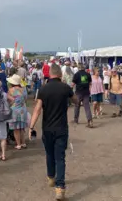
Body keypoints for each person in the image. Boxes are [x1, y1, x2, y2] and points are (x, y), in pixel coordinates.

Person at [29, 64, 77, 200]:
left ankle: (51, 177)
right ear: (60, 74)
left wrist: (31, 126)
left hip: (47, 128)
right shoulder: (65, 88)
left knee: (49, 154)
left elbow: (38, 109)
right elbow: (75, 100)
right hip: (61, 128)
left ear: (49, 74)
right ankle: (60, 188)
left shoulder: (43, 89)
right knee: (60, 158)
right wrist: (74, 99)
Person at [7, 74, 28, 149]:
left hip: (14, 110)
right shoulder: (24, 89)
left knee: (16, 129)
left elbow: (9, 100)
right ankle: (23, 143)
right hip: (23, 109)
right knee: (22, 128)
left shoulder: (11, 90)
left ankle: (18, 144)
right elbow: (25, 99)